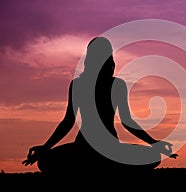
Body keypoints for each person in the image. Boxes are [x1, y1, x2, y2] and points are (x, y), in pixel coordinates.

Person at [22, 37, 178, 178]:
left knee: (46, 162)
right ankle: (107, 169)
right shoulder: (99, 85)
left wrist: (154, 143)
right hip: (89, 149)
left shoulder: (87, 84)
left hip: (96, 149)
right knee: (152, 156)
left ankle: (90, 170)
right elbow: (70, 121)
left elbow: (68, 121)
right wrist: (45, 147)